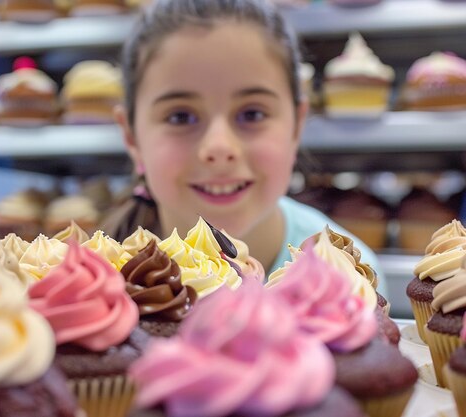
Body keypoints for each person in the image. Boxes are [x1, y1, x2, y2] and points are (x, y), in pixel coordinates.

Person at [102, 0, 387, 297]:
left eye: (252, 114)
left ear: (297, 125)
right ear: (132, 136)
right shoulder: (100, 279)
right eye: (180, 117)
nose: (220, 147)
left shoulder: (351, 278)